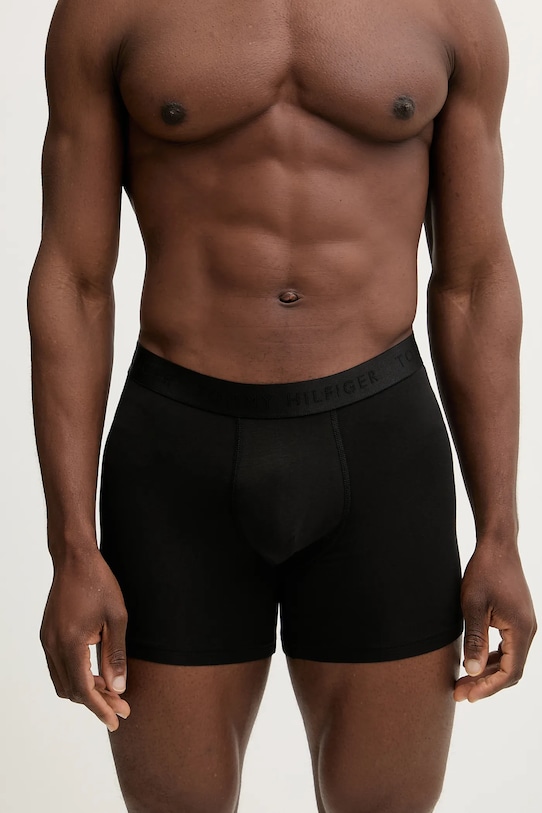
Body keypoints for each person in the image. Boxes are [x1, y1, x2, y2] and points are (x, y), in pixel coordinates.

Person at [27, 0, 537, 811]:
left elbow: (473, 280)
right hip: (177, 460)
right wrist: (71, 547)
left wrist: (501, 532)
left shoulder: (452, 12)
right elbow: (75, 279)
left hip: (382, 453)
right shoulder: (107, 10)